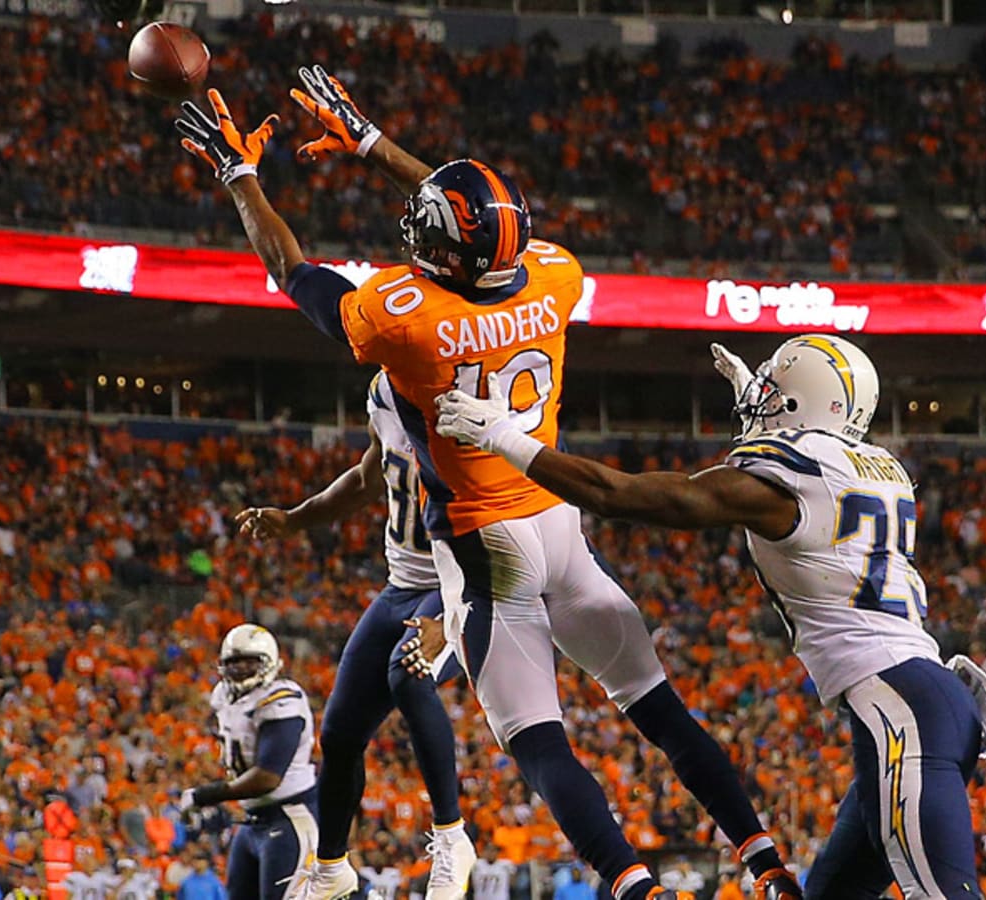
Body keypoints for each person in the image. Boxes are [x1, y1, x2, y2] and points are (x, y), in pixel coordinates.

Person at [172, 66, 796, 900]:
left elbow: (290, 266)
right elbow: (483, 231)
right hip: (562, 526)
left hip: (481, 547)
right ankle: (766, 861)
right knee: (661, 712)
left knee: (542, 744)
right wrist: (373, 143)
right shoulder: (555, 275)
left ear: (439, 251)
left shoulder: (402, 316)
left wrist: (239, 175)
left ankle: (636, 890)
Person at [433, 333, 986, 899]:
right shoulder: (874, 466)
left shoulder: (793, 476)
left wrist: (509, 439)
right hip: (919, 702)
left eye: (772, 390)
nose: (756, 397)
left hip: (901, 709)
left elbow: (627, 496)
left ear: (796, 403)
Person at [233, 369, 474, 900]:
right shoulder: (386, 390)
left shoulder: (476, 390)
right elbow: (369, 476)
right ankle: (332, 864)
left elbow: (512, 509)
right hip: (403, 584)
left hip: (467, 583)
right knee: (339, 733)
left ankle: (453, 837)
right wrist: (296, 519)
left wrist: (458, 611)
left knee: (409, 672)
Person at [178, 625, 318, 900]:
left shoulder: (281, 700)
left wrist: (203, 795)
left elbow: (268, 777)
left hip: (290, 815)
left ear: (269, 662)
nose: (241, 668)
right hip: (252, 821)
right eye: (234, 662)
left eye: (249, 661)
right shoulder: (224, 696)